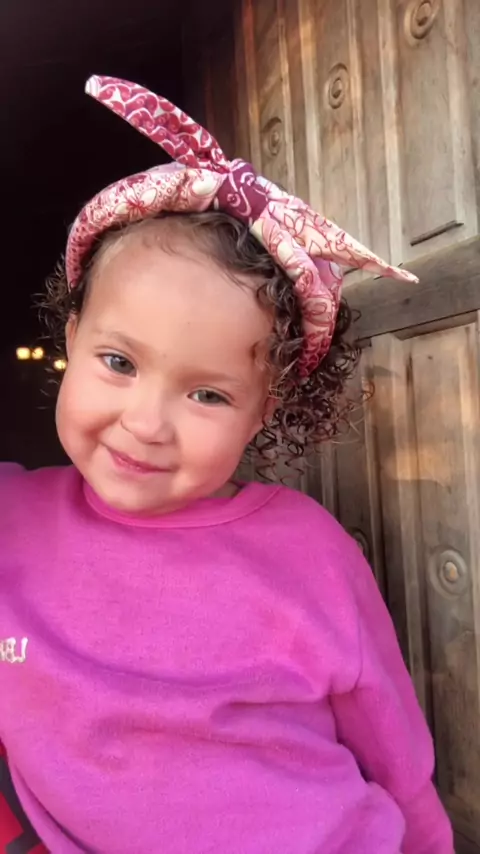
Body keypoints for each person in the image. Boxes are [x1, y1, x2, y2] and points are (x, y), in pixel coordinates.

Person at [0, 76, 453, 854]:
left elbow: (396, 749)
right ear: (72, 339)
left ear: (265, 409)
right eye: (118, 361)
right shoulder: (12, 519)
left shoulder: (308, 551)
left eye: (207, 394)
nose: (146, 423)